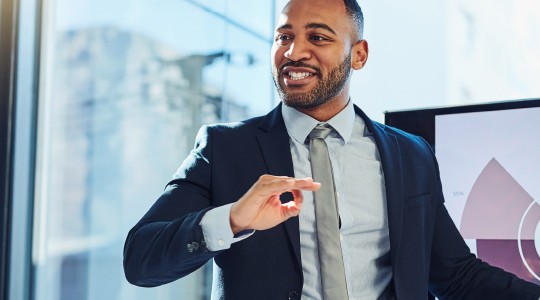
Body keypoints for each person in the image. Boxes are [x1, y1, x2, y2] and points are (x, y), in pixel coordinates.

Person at [123, 0, 540, 299]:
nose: (293, 51)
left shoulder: (411, 156)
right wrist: (231, 219)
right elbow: (140, 260)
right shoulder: (224, 148)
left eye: (317, 37)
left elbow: (454, 275)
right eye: (283, 36)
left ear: (358, 55)